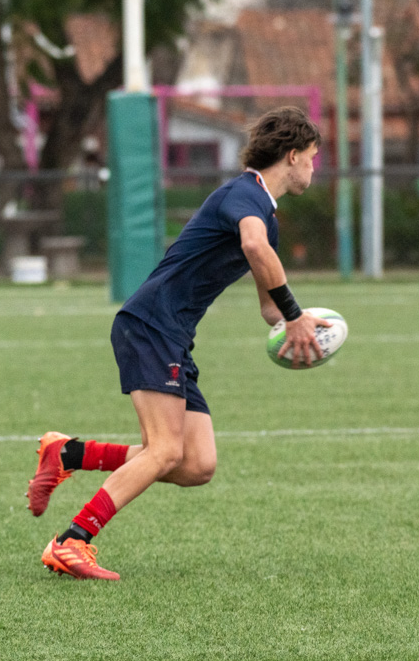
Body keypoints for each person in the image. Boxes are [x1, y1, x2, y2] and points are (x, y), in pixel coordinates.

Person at [28, 107, 331, 580]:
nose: (316, 167)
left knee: (196, 464)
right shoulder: (243, 195)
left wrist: (301, 321)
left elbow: (268, 307)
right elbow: (254, 249)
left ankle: (69, 454)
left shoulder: (263, 219)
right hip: (151, 325)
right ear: (292, 156)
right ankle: (72, 540)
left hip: (171, 335)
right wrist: (292, 314)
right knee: (165, 450)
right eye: (313, 157)